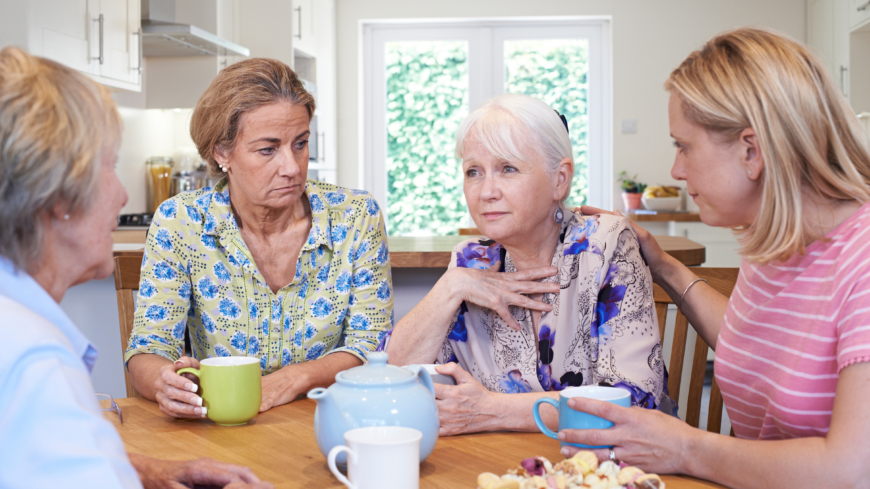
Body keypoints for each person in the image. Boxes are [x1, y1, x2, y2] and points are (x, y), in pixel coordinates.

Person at [561, 28, 870, 488]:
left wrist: (684, 447)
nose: (676, 170)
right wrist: (663, 266)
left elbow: (850, 471)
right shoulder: (777, 241)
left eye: (683, 146)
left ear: (751, 151)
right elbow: (757, 348)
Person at [0, 47, 271, 488]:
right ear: (58, 197)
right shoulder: (35, 364)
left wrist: (148, 471)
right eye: (109, 167)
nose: (124, 195)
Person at [383, 93, 674, 436]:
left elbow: (634, 403)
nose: (486, 192)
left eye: (508, 168)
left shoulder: (604, 244)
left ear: (559, 179)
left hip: (597, 461)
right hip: (494, 461)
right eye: (473, 172)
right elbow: (391, 380)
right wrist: (452, 285)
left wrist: (490, 410)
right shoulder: (471, 260)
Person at [125, 58, 392, 418]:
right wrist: (165, 381)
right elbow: (149, 347)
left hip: (328, 422)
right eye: (268, 150)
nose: (292, 167)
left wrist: (294, 378)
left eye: (300, 144)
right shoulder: (180, 222)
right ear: (222, 152)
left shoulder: (355, 215)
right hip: (223, 427)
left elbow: (372, 345)